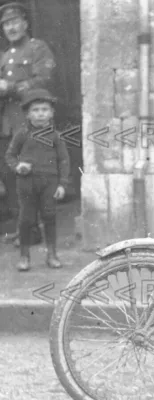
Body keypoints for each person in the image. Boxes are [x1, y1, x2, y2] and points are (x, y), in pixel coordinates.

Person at [0, 2, 56, 244]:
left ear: (25, 23)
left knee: (32, 176)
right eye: (6, 24)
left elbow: (45, 79)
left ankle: (33, 230)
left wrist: (10, 87)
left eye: (14, 22)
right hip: (8, 124)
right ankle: (22, 228)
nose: (10, 28)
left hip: (32, 123)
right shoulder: (4, 56)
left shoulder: (38, 49)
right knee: (11, 174)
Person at [5, 88, 69, 271]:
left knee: (49, 217)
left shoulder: (56, 137)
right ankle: (24, 257)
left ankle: (52, 254)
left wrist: (63, 184)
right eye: (35, 110)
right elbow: (10, 155)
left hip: (49, 183)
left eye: (44, 110)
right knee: (26, 219)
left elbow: (64, 161)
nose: (40, 114)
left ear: (51, 113)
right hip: (26, 184)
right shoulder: (22, 134)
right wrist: (18, 166)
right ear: (27, 114)